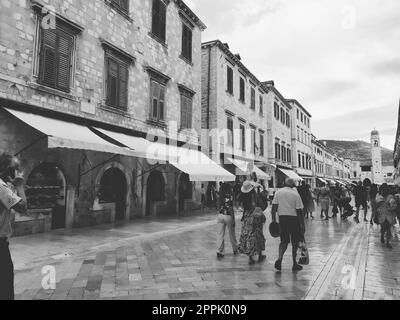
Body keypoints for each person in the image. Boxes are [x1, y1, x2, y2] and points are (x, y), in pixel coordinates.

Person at [0, 154, 28, 300]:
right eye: (15, 168)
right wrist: (19, 185)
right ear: (5, 168)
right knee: (5, 286)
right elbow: (23, 207)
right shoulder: (1, 186)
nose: (18, 172)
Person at [271, 178, 305, 272]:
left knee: (284, 241)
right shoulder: (295, 194)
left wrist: (274, 220)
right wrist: (302, 224)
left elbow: (273, 208)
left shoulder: (278, 193)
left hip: (282, 219)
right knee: (295, 242)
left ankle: (279, 259)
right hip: (294, 220)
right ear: (292, 185)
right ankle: (294, 263)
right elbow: (299, 211)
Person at [238, 180, 267, 265]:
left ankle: (250, 257)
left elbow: (242, 207)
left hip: (247, 217)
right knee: (258, 235)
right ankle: (260, 254)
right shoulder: (255, 196)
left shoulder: (243, 197)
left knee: (248, 235)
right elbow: (262, 205)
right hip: (256, 217)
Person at [216, 182, 238, 259]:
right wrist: (233, 219)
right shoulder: (230, 196)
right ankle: (235, 249)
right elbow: (230, 208)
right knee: (232, 233)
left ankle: (219, 251)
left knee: (220, 234)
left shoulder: (220, 196)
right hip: (228, 215)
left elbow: (218, 206)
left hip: (220, 215)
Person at [376, 184, 397, 249]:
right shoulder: (380, 197)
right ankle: (383, 237)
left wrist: (390, 209)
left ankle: (387, 241)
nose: (383, 191)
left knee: (387, 229)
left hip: (386, 216)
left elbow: (394, 206)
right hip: (383, 216)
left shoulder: (389, 197)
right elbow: (376, 206)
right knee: (384, 228)